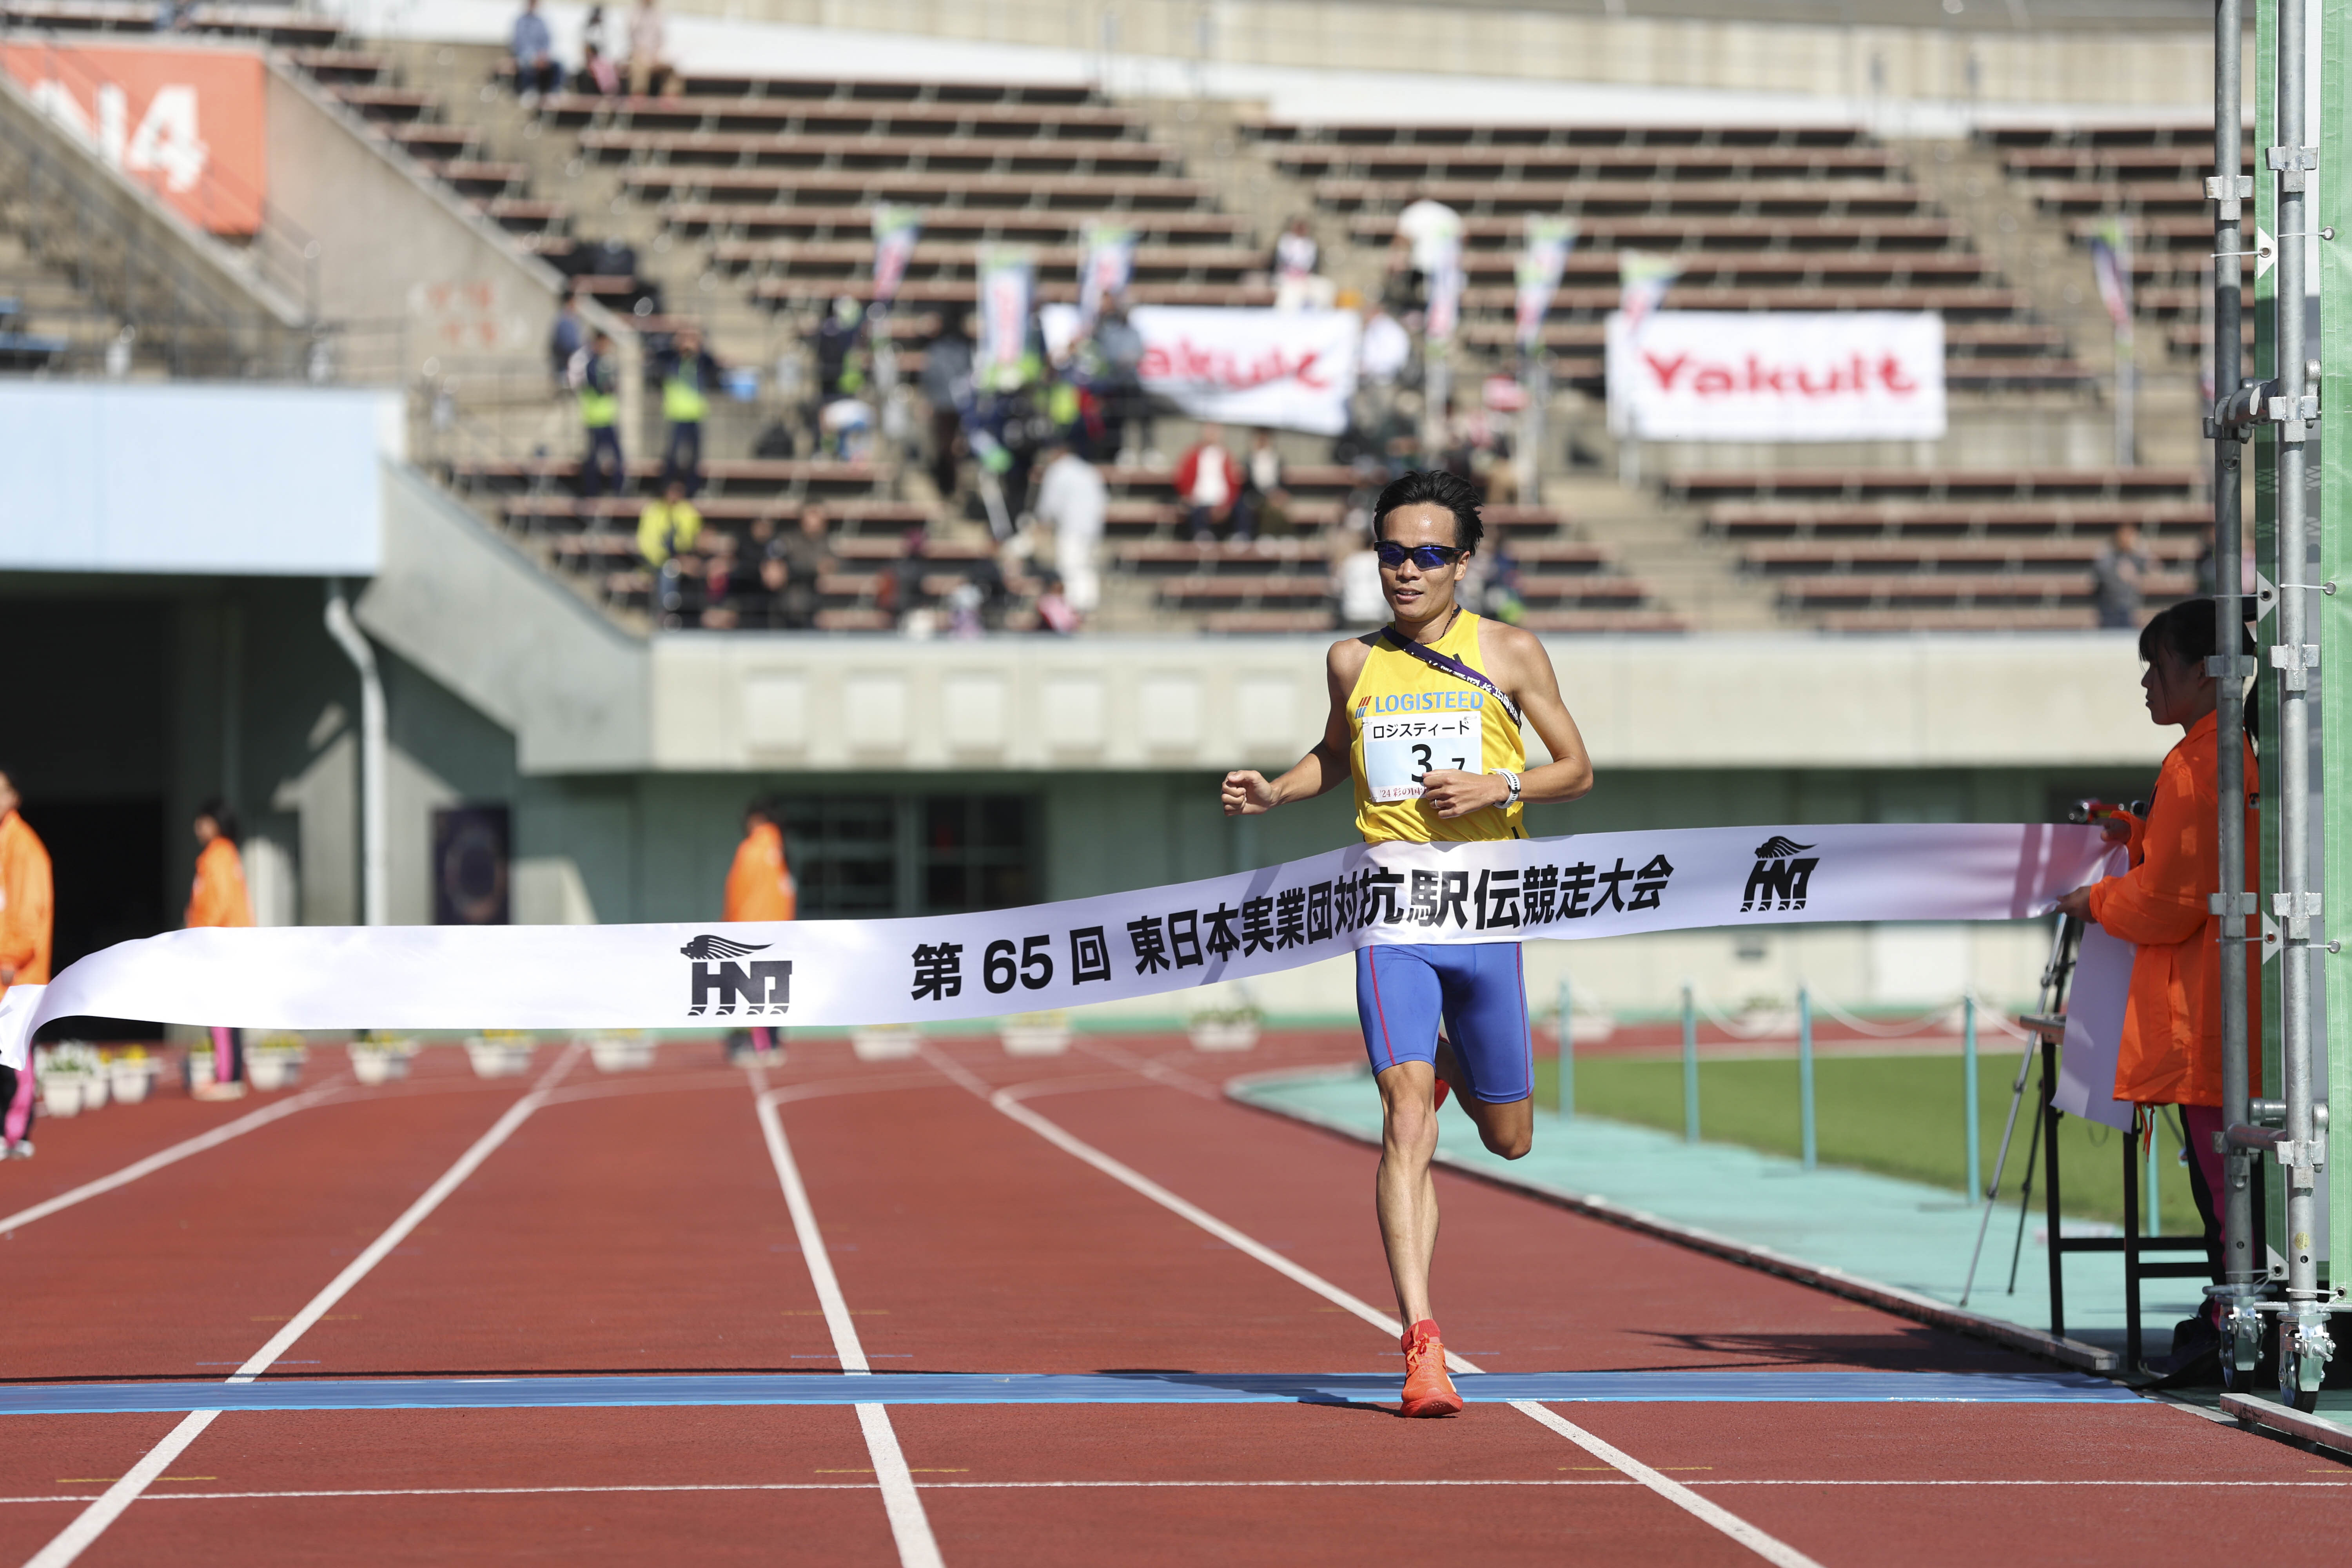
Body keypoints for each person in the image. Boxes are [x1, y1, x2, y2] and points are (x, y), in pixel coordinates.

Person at [1220, 468, 1595, 1417]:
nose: (1407, 569)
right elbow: (1336, 754)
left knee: (1508, 1139)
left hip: (1488, 919)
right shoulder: (1352, 662)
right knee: (1403, 1115)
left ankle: (1446, 1056)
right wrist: (1277, 789)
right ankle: (1422, 1343)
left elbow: (1578, 769)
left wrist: (1500, 789)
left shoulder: (1509, 651)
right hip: (1392, 919)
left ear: (1463, 564)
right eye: (1392, 552)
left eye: (1428, 554)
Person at [2054, 599, 2260, 1379]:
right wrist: (2137, 836)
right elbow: (2196, 873)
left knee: (2225, 1188)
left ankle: (2232, 1323)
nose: (2146, 683)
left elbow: (2171, 903)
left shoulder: (2198, 764)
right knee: (2229, 1185)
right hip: (2228, 1004)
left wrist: (2096, 901)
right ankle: (2228, 1315)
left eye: (2156, 666)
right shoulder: (2228, 754)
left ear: (2206, 673)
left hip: (2209, 1010)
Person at [186, 799, 256, 1101]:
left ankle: (227, 1075)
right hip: (230, 942)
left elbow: (219, 903)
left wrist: (202, 935)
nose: (197, 828)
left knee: (219, 1011)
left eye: (202, 821)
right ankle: (231, 1072)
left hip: (220, 944)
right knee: (228, 1012)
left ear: (214, 824)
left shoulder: (217, 857)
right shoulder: (227, 855)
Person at [0, 769, 51, 1158]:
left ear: (15, 796)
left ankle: (15, 1131)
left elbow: (28, 913)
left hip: (17, 973)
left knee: (14, 1052)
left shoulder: (23, 847)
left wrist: (10, 958)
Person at [723, 798, 796, 1063]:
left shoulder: (750, 850)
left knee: (744, 993)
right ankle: (770, 1044)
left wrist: (728, 926)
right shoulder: (780, 852)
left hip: (748, 930)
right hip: (777, 930)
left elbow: (736, 893)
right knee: (773, 991)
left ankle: (748, 1044)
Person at [1033, 441, 1106, 616]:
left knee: (1070, 566)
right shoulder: (1088, 470)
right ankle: (1089, 604)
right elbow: (1103, 500)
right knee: (1087, 565)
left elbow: (1050, 503)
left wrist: (1043, 520)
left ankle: (1075, 608)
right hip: (1093, 526)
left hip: (1071, 526)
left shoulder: (1058, 471)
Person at [653, 325, 720, 495]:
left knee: (695, 458)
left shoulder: (700, 362)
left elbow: (713, 364)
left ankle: (692, 491)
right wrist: (675, 345)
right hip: (676, 415)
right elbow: (658, 356)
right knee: (672, 456)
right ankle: (666, 489)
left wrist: (700, 348)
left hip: (695, 415)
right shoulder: (672, 360)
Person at [638, 480, 703, 623]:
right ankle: (666, 614)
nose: (676, 496)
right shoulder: (653, 510)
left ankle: (696, 618)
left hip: (683, 558)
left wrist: (686, 558)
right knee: (669, 572)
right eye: (673, 491)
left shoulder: (688, 511)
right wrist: (668, 559)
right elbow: (647, 543)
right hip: (657, 561)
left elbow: (693, 539)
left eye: (680, 492)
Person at [575, 329, 626, 498]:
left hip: (608, 418)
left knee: (617, 456)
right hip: (595, 419)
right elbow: (601, 387)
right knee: (593, 459)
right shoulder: (591, 364)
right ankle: (590, 491)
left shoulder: (607, 364)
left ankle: (619, 491)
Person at [1176, 423, 1246, 542]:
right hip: (1199, 500)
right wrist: (1188, 495)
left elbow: (1235, 483)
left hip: (1224, 502)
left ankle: (1241, 536)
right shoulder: (1193, 455)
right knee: (1192, 508)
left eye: (1215, 432)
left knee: (1243, 507)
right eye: (1210, 431)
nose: (1212, 435)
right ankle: (1201, 534)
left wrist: (1227, 504)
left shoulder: (1227, 456)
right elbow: (1183, 478)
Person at [2092, 521, 2155, 630]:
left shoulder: (2135, 557)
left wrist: (2142, 549)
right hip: (2110, 608)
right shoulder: (2108, 556)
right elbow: (2102, 577)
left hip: (2129, 608)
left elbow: (2155, 569)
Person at [510, 0, 560, 99]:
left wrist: (543, 55)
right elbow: (519, 43)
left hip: (541, 56)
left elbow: (547, 40)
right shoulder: (521, 21)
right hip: (526, 55)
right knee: (527, 63)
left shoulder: (541, 22)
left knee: (558, 65)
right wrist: (534, 56)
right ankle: (528, 90)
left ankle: (554, 91)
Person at [626, 0, 670, 96]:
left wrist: (657, 55)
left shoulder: (658, 13)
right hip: (639, 54)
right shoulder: (635, 13)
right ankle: (639, 98)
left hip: (655, 55)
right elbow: (631, 40)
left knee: (671, 70)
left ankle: (670, 100)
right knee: (639, 68)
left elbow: (662, 39)